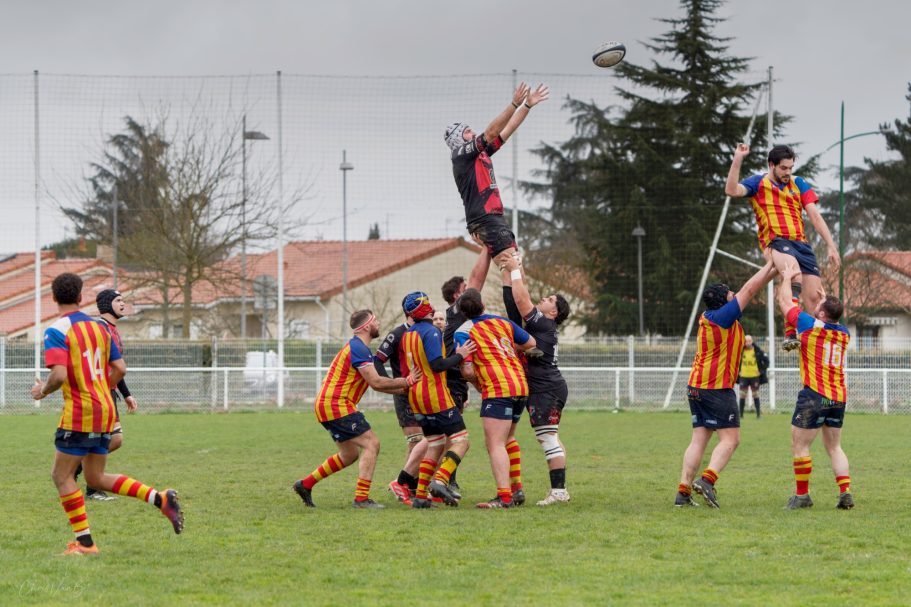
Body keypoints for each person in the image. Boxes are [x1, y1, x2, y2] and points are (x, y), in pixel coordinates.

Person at [32, 272, 183, 555]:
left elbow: (59, 375)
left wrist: (41, 391)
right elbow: (121, 368)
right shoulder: (100, 328)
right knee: (95, 478)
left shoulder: (56, 330)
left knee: (61, 476)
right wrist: (102, 389)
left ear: (54, 298)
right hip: (105, 410)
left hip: (80, 411)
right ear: (80, 297)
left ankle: (85, 543)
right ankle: (159, 498)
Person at [293, 309, 420, 509]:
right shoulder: (358, 348)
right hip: (336, 404)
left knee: (349, 455)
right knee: (372, 444)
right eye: (376, 320)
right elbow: (376, 382)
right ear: (367, 325)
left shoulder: (359, 348)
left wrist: (404, 389)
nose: (378, 323)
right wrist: (408, 381)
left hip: (329, 405)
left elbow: (374, 383)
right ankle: (361, 499)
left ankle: (305, 484)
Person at [676, 262, 776, 509]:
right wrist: (771, 266)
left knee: (699, 439)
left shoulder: (709, 317)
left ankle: (683, 493)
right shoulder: (723, 317)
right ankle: (707, 480)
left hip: (697, 386)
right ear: (723, 301)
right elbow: (750, 289)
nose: (735, 295)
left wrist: (773, 271)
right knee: (731, 439)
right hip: (716, 388)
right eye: (730, 293)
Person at [725, 144, 840, 351]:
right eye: (784, 168)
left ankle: (818, 346)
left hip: (802, 245)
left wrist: (831, 245)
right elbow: (731, 190)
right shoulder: (758, 184)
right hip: (776, 242)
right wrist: (738, 158)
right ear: (772, 165)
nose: (788, 172)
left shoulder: (798, 183)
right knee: (792, 274)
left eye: (791, 168)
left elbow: (814, 215)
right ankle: (789, 332)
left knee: (816, 300)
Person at [777, 268, 853, 510]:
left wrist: (787, 278)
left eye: (818, 305)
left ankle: (802, 496)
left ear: (820, 313)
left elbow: (784, 302)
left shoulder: (810, 326)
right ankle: (845, 493)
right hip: (838, 397)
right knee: (834, 447)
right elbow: (833, 316)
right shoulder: (844, 334)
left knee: (800, 445)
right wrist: (826, 301)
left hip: (815, 394)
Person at [444, 82, 549, 260]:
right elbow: (491, 132)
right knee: (512, 266)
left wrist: (527, 105)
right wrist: (514, 104)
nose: (474, 132)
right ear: (457, 138)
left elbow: (506, 130)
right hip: (484, 219)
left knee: (514, 269)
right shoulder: (460, 154)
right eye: (468, 131)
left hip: (493, 217)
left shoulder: (480, 154)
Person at [455, 288, 538, 509]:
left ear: (462, 312)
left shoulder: (463, 332)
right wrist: (508, 346)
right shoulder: (503, 322)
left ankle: (504, 497)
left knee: (495, 444)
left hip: (498, 389)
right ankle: (516, 488)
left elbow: (468, 370)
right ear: (482, 304)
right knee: (509, 438)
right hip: (520, 385)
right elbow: (531, 343)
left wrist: (477, 383)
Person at [501, 255, 573, 506]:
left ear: (553, 312)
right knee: (550, 436)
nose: (544, 299)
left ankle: (559, 492)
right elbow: (525, 298)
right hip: (549, 387)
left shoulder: (543, 324)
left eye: (549, 300)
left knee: (547, 438)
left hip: (546, 389)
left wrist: (515, 272)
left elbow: (522, 301)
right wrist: (516, 270)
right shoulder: (544, 325)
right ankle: (560, 489)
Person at [398, 291, 476, 508]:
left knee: (435, 443)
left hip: (416, 396)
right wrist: (460, 354)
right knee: (462, 440)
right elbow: (437, 364)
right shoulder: (431, 332)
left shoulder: (408, 334)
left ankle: (421, 497)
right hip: (435, 395)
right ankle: (441, 480)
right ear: (421, 309)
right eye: (426, 303)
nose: (431, 306)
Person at [74, 288, 140, 501]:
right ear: (106, 304)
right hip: (98, 395)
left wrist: (126, 394)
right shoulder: (100, 329)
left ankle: (75, 465)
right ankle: (92, 488)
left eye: (123, 300)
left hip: (108, 393)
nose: (123, 304)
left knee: (115, 439)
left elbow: (115, 367)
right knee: (105, 440)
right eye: (118, 300)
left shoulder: (112, 329)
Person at [440, 246, 492, 494]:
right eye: (465, 291)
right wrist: (488, 247)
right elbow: (476, 279)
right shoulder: (459, 311)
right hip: (450, 380)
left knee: (447, 436)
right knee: (454, 436)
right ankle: (444, 481)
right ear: (456, 297)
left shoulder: (458, 316)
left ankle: (443, 480)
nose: (471, 292)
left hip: (454, 380)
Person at [374, 311, 427, 506]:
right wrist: (393, 384)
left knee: (431, 440)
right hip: (405, 395)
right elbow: (377, 360)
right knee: (416, 441)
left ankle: (415, 485)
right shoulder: (397, 334)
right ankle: (404, 485)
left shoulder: (424, 332)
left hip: (424, 394)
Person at [737, 335, 769, 419]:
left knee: (756, 395)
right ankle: (741, 415)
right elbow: (734, 361)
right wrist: (737, 371)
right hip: (743, 376)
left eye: (749, 341)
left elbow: (766, 361)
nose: (747, 343)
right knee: (742, 395)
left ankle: (758, 415)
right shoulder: (740, 351)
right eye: (746, 341)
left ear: (752, 341)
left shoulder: (757, 351)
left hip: (754, 376)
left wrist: (761, 371)